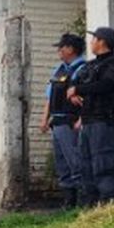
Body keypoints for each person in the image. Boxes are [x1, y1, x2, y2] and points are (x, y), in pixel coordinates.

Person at [66, 27, 114, 206]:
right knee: (85, 165)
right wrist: (73, 92)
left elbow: (106, 85)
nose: (91, 43)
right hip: (87, 121)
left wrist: (78, 89)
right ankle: (89, 205)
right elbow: (75, 82)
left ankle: (108, 205)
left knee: (104, 163)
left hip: (104, 121)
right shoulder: (90, 65)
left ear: (101, 41)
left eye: (93, 39)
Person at [39, 33, 87, 208]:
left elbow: (88, 99)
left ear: (71, 49)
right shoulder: (58, 70)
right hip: (57, 122)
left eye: (62, 47)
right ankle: (68, 201)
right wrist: (45, 118)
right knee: (62, 163)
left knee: (75, 161)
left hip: (71, 122)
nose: (59, 50)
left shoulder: (83, 69)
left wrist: (81, 120)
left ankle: (82, 201)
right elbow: (49, 98)